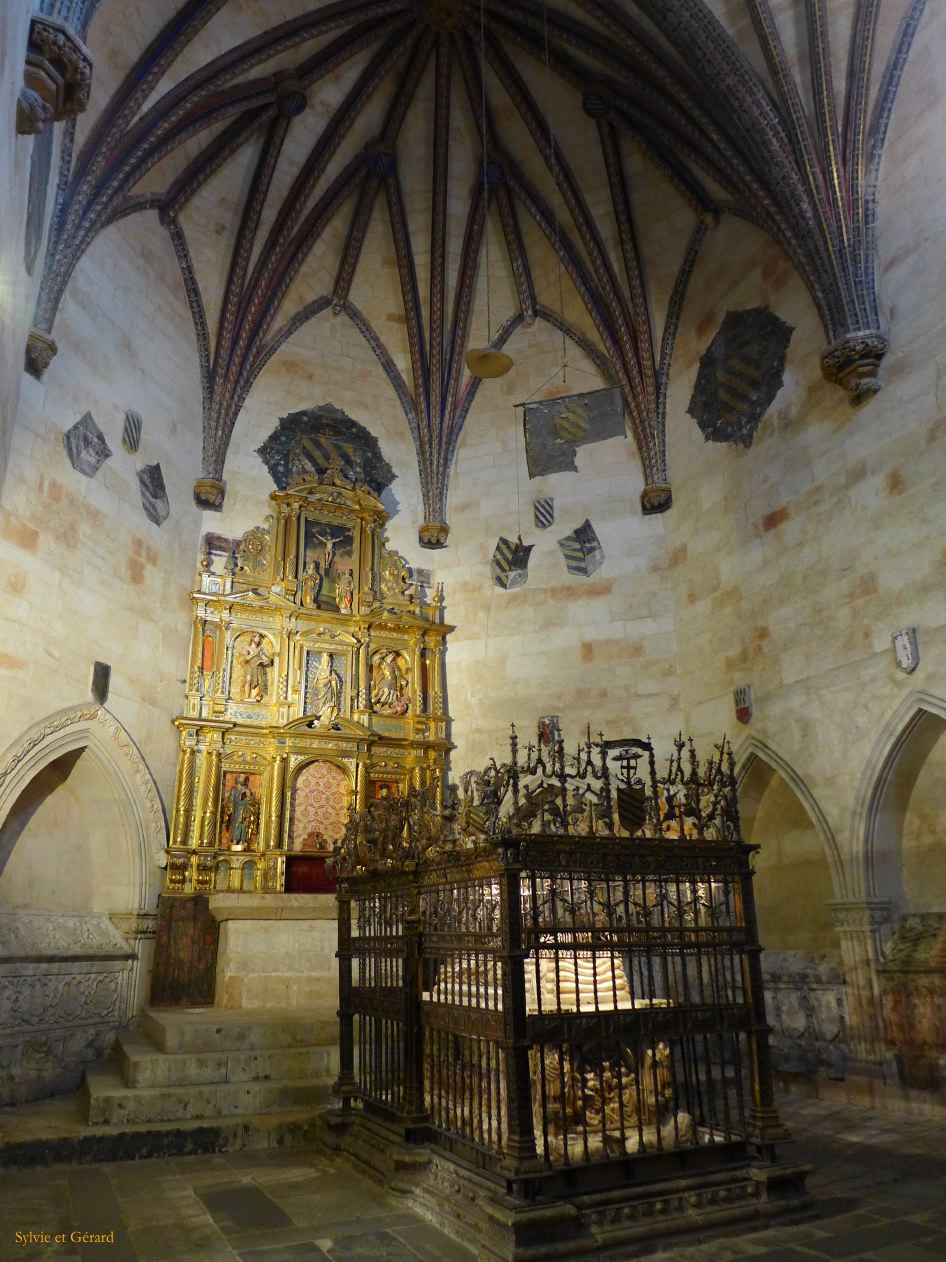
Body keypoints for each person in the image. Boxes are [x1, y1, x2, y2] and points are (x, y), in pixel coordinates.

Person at [307, 651, 341, 727]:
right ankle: (319, 719)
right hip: (320, 694)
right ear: (322, 662)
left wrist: (332, 679)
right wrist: (326, 680)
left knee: (329, 707)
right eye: (325, 661)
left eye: (327, 661)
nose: (326, 663)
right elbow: (316, 684)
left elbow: (334, 684)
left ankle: (327, 719)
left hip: (329, 694)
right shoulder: (319, 672)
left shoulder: (331, 673)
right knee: (320, 709)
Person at [241, 633, 272, 701]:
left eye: (259, 637)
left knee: (256, 682)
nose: (258, 638)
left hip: (258, 667)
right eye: (257, 637)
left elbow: (267, 660)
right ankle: (246, 697)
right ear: (253, 638)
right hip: (250, 666)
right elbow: (244, 658)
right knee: (248, 680)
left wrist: (265, 661)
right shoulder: (248, 648)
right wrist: (254, 654)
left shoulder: (260, 650)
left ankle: (253, 698)